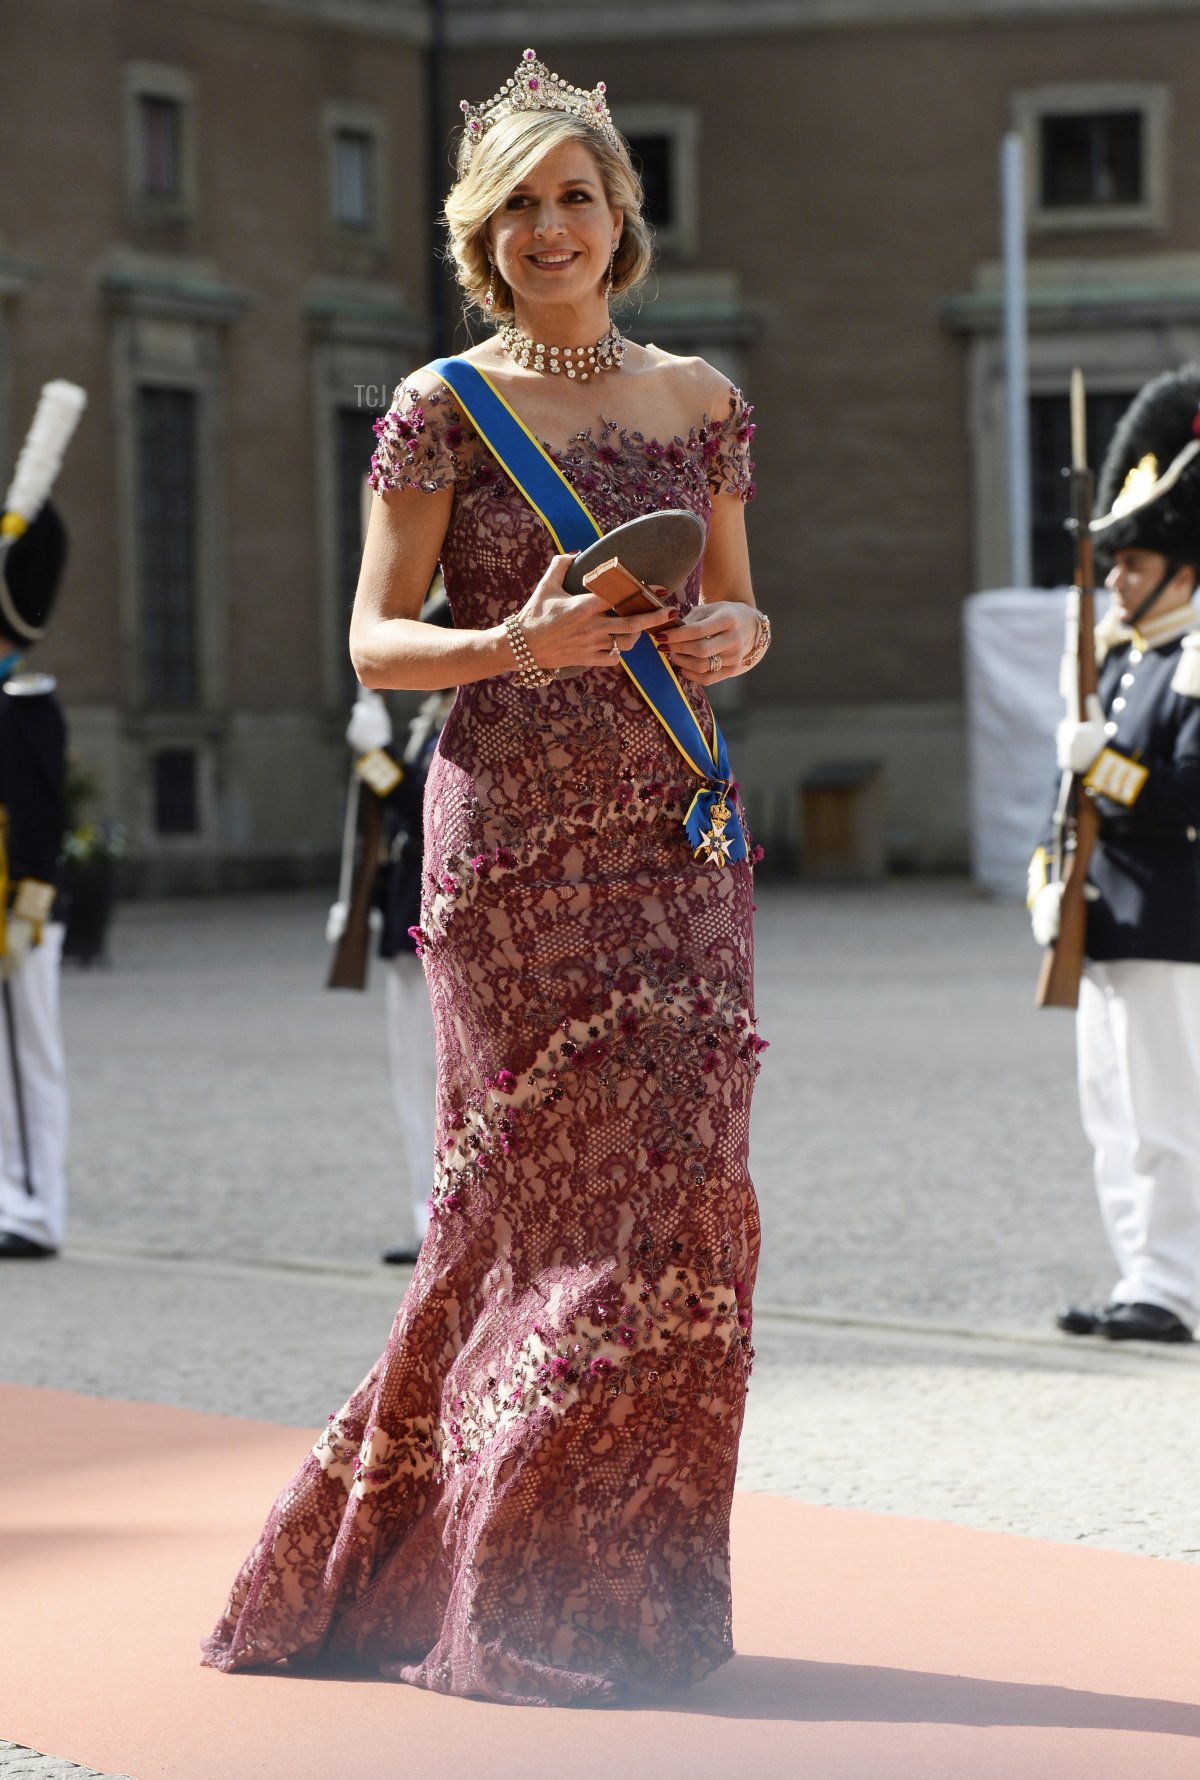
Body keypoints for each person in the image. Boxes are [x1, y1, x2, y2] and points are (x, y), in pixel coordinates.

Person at [204, 48, 770, 1704]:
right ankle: (498, 1588)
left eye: (575, 196)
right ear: (479, 232)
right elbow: (375, 644)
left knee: (684, 1213)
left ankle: (634, 1588)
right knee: (524, 1220)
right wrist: (513, 643)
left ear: (622, 216)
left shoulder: (704, 403)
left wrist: (739, 633)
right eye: (518, 204)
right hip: (512, 853)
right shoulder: (440, 406)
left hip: (676, 840)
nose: (550, 227)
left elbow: (742, 604)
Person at [1031, 365, 1200, 1343]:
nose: (1119, 581)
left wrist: (1106, 766)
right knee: (1114, 1115)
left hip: (1171, 920)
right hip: (1103, 920)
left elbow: (1187, 795)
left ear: (1184, 571)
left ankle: (1175, 1288)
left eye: (1135, 566)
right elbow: (1070, 802)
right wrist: (1048, 876)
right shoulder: (1123, 659)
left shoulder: (1191, 663)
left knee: (1166, 1116)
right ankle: (1145, 1274)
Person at [329, 584, 455, 1265]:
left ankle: (441, 1218)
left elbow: (421, 807)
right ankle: (426, 1211)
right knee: (414, 1079)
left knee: (432, 1077)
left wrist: (377, 760)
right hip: (405, 915)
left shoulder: (460, 720)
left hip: (430, 920)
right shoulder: (434, 719)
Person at [0, 501, 70, 1260]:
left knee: (26, 1059)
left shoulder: (25, 707)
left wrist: (27, 908)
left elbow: (40, 816)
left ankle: (34, 1208)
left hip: (20, 911)